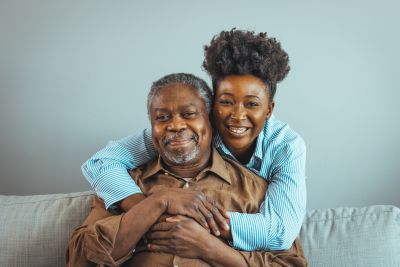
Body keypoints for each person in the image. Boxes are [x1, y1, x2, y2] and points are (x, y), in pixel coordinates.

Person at [82, 29, 306, 251]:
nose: (238, 116)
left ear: (269, 110)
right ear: (212, 105)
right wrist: (150, 209)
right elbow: (101, 162)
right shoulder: (192, 132)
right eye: (227, 102)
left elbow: (280, 232)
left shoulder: (286, 146)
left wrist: (196, 229)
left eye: (252, 104)